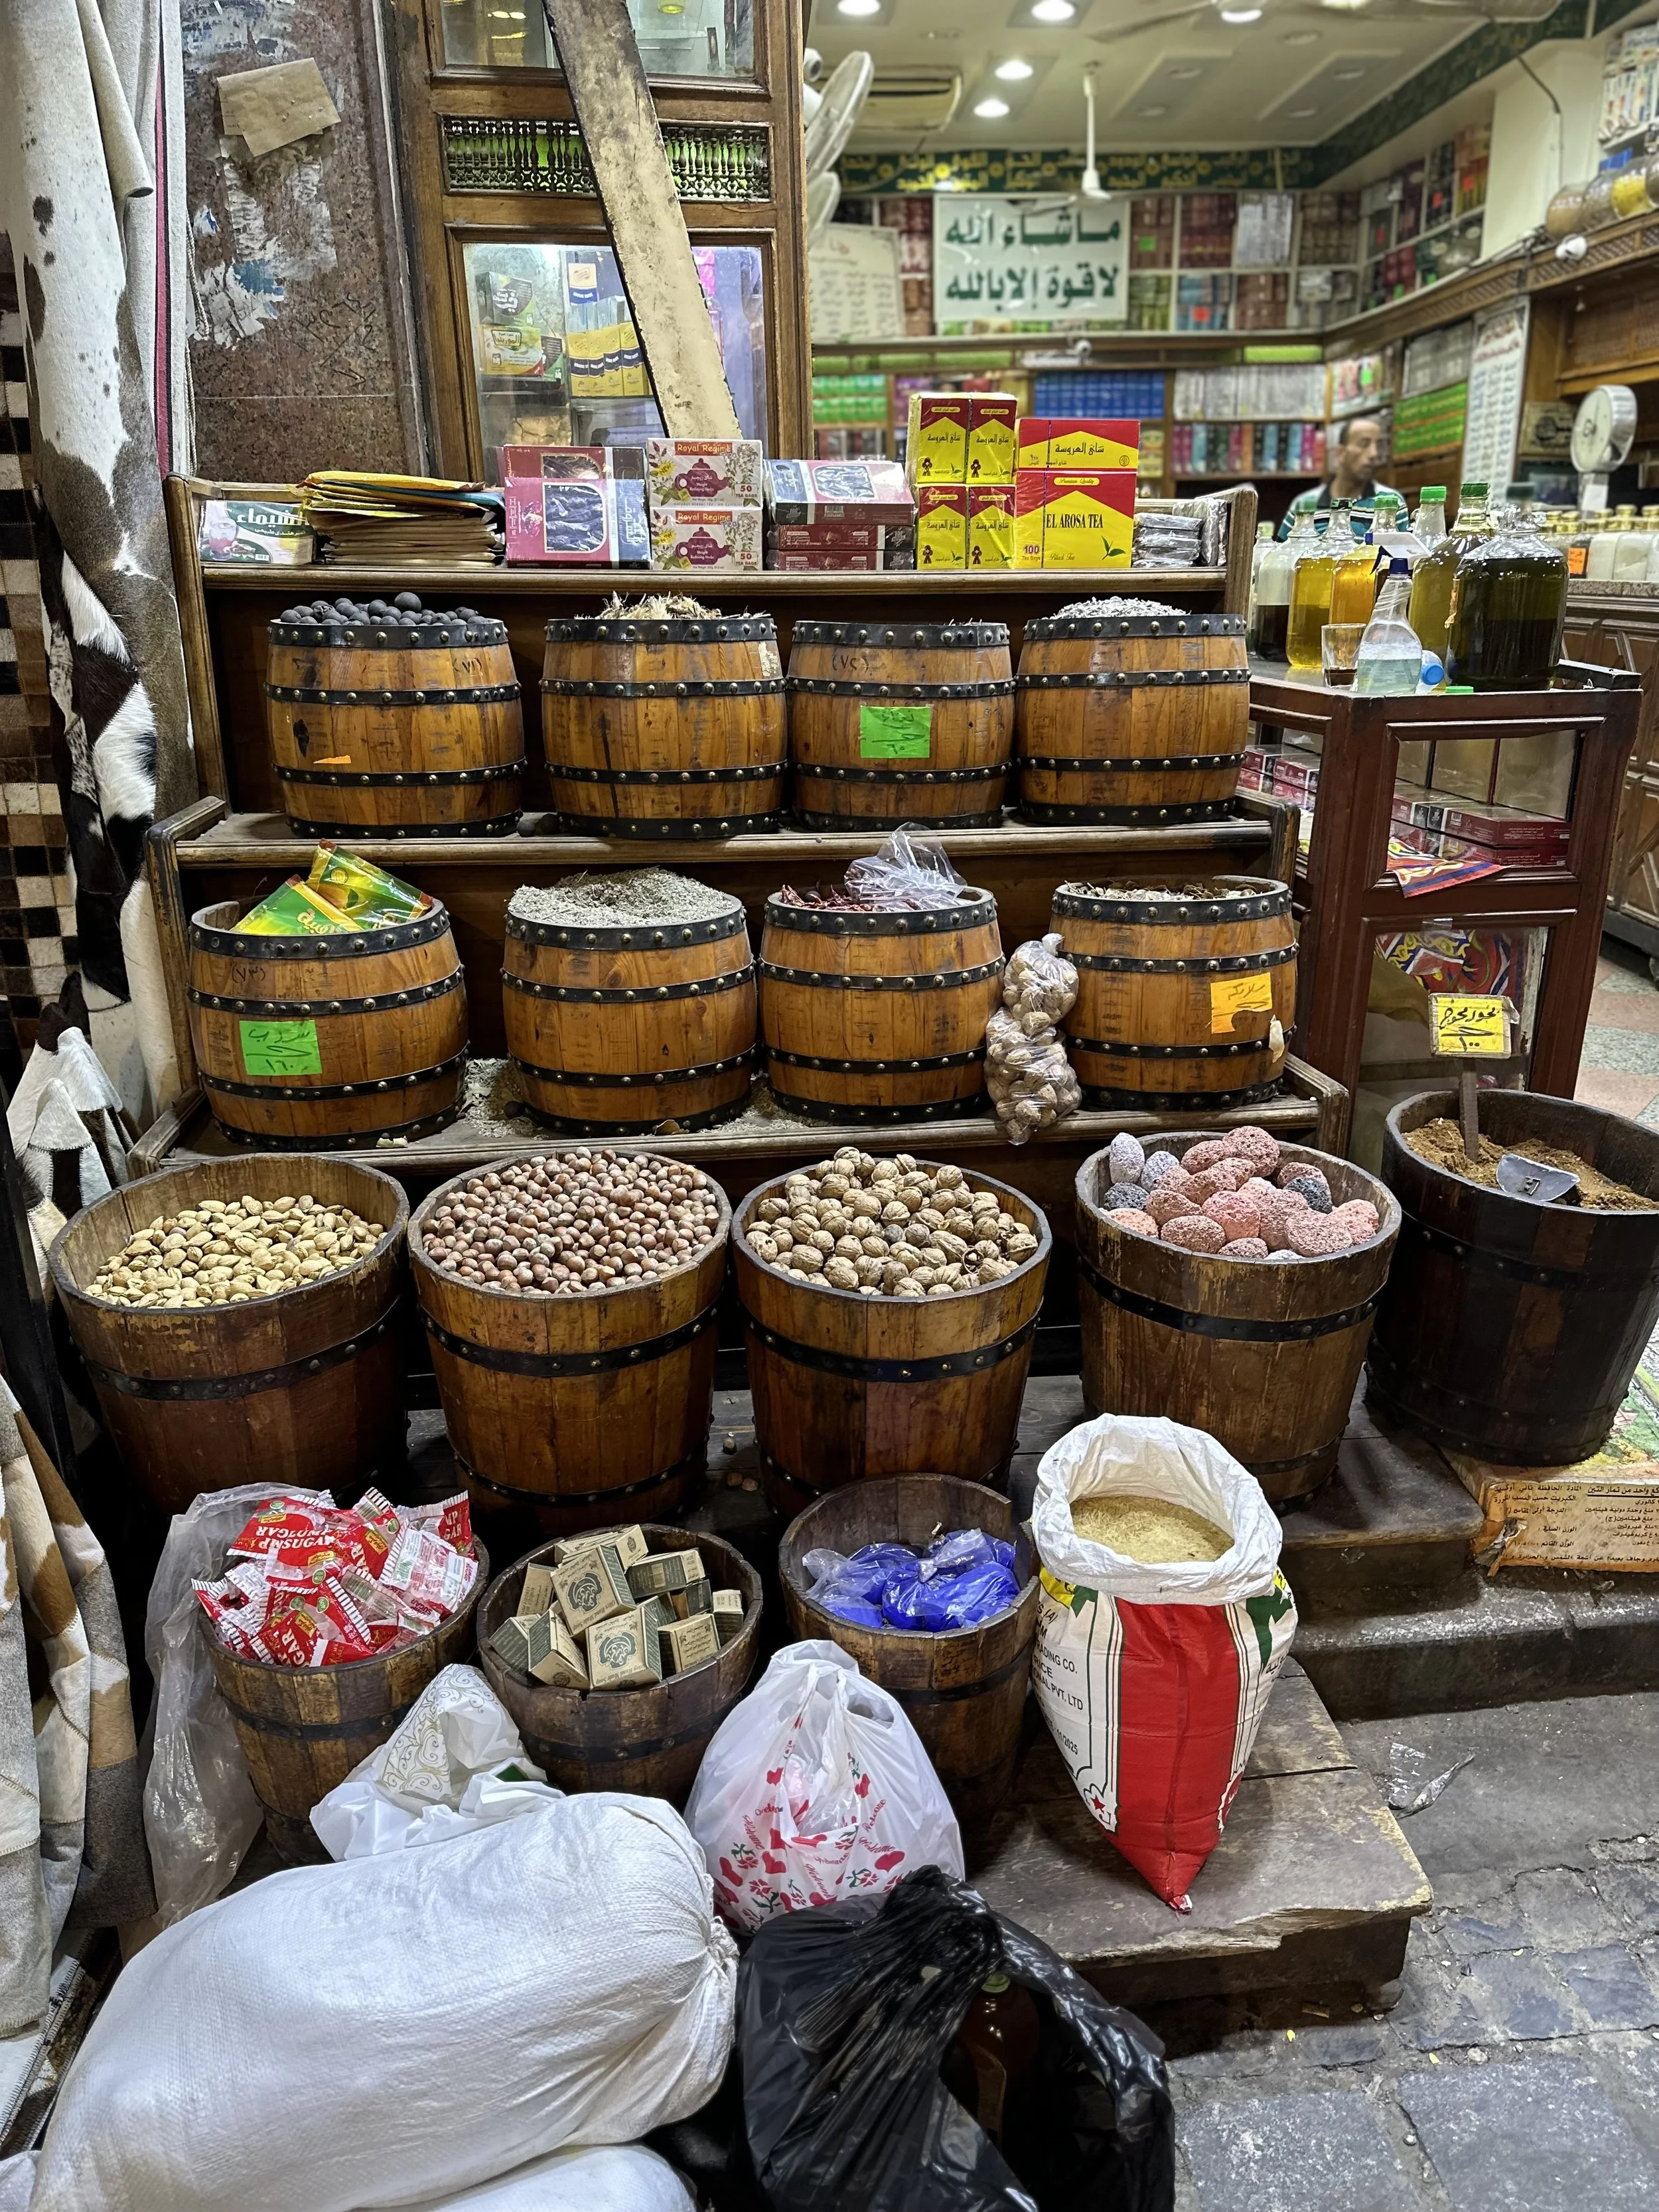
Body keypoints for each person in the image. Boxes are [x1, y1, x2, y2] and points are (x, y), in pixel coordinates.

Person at [1276, 415, 1402, 538]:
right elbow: (1282, 556)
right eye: (1364, 444)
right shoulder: (1304, 504)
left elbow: (1404, 556)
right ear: (1340, 453)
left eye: (1378, 446)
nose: (1374, 454)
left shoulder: (1392, 503)